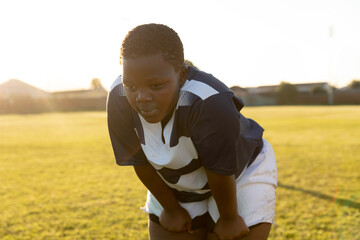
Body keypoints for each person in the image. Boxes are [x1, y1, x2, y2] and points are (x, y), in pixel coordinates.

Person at [107, 23, 277, 240]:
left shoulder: (209, 101)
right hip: (176, 177)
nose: (142, 97)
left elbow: (220, 170)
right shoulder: (118, 97)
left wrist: (228, 218)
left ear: (181, 75)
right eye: (131, 86)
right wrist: (170, 209)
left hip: (239, 173)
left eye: (156, 86)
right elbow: (138, 161)